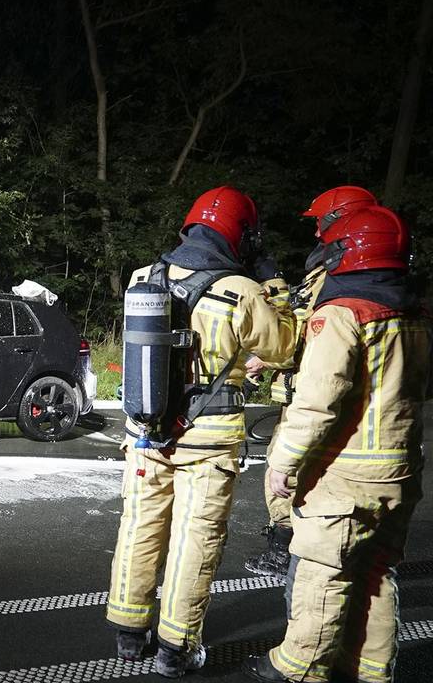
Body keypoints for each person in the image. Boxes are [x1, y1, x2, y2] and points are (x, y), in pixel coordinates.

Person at [107, 186, 297, 678]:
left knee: (139, 527)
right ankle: (176, 647)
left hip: (145, 428)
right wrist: (273, 283)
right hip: (207, 438)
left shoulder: (143, 277)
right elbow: (285, 349)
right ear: (241, 237)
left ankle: (130, 635)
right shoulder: (242, 292)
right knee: (196, 538)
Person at [246, 206, 431, 683]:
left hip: (344, 474)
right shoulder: (418, 311)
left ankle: (297, 668)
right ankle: (372, 671)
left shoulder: (342, 313)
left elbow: (316, 402)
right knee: (376, 574)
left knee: (322, 573)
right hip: (402, 471)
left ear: (346, 251)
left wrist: (282, 463)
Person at [244, 186, 378, 581]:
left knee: (285, 471)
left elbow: (301, 336)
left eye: (322, 223)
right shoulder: (350, 274)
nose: (317, 233)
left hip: (314, 393)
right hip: (334, 397)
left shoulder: (334, 278)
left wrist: (264, 357)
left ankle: (285, 551)